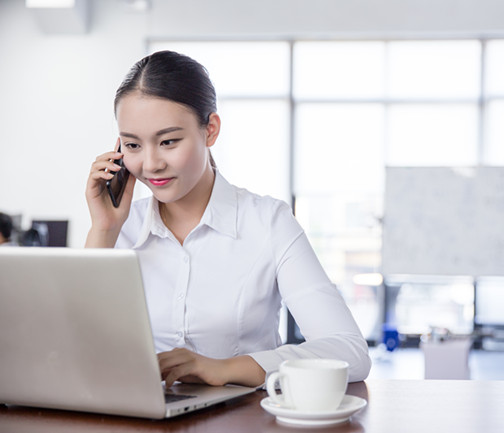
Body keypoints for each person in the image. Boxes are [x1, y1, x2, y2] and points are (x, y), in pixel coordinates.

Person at [85, 50, 371, 388]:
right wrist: (103, 231)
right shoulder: (120, 228)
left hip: (245, 416)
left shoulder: (268, 222)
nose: (150, 164)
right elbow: (73, 351)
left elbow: (350, 352)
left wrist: (225, 369)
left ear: (210, 130)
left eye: (168, 141)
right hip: (139, 415)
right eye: (133, 146)